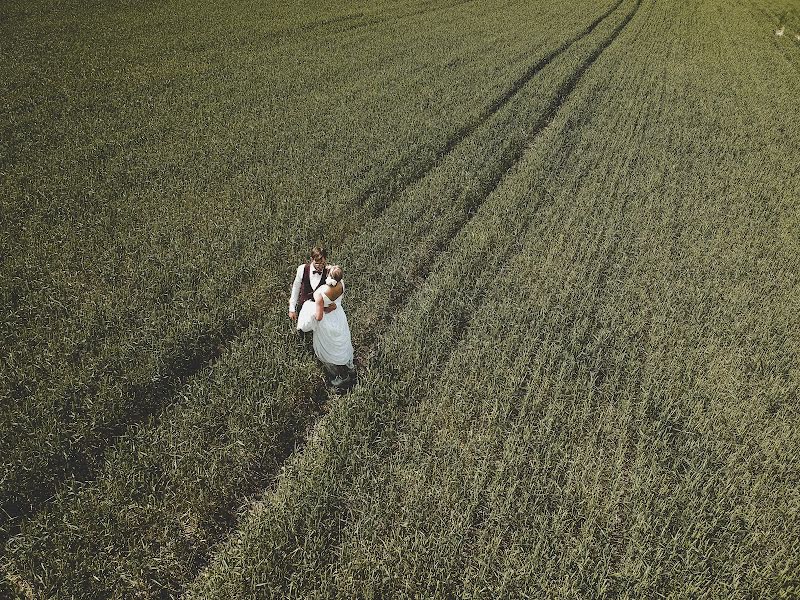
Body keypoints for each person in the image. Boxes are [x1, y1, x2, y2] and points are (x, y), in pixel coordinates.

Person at [296, 265, 355, 387]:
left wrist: (325, 308)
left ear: (328, 275)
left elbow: (319, 317)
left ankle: (342, 376)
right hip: (338, 316)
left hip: (326, 322)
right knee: (340, 344)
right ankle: (349, 368)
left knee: (329, 351)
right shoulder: (341, 284)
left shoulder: (320, 293)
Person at [289, 246, 336, 342]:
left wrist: (332, 305)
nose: (319, 266)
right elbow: (296, 287)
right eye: (317, 262)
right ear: (311, 259)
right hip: (303, 310)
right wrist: (292, 308)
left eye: (322, 263)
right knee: (302, 335)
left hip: (321, 312)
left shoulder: (328, 272)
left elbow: (336, 288)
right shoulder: (302, 269)